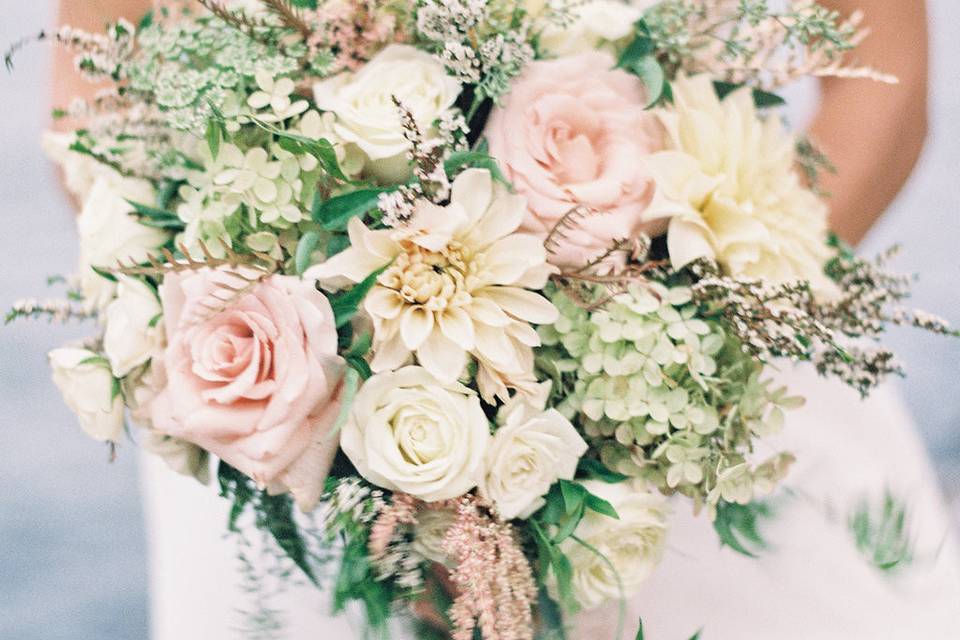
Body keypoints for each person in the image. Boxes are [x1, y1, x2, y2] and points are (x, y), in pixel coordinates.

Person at [52, 0, 960, 637]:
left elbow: (885, 79)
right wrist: (344, 420)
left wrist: (681, 343)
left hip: (699, 405)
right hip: (290, 431)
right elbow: (91, 92)